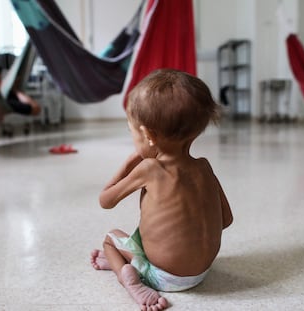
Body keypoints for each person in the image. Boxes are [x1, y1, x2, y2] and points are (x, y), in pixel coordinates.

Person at [90, 68, 233, 311]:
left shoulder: (150, 169)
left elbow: (105, 200)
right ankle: (134, 262)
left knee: (110, 239)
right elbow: (226, 220)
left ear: (148, 135)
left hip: (166, 277)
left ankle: (129, 277)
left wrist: (127, 165)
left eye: (132, 132)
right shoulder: (204, 166)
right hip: (203, 272)